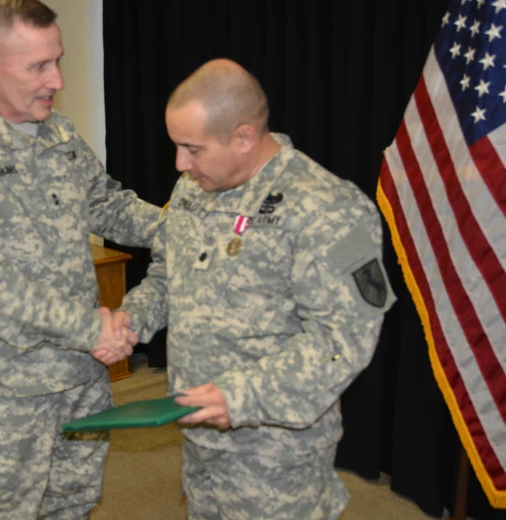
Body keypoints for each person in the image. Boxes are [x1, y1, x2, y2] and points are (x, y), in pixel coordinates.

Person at [0, 1, 160, 518]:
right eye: (38, 66)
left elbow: (107, 204)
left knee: (74, 503)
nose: (56, 79)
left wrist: (190, 230)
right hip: (7, 391)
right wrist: (90, 327)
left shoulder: (58, 131)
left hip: (81, 375)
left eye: (58, 60)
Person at [117, 59, 397, 519]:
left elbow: (343, 340)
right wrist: (134, 317)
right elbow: (169, 275)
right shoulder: (192, 189)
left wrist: (241, 397)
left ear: (244, 137)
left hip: (275, 456)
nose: (180, 163)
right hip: (198, 433)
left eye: (192, 148)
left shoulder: (326, 207)